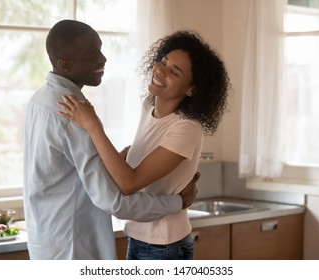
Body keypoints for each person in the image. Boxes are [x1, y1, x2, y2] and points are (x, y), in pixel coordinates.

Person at [22, 19, 199, 260]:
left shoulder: (40, 101)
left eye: (101, 49)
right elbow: (116, 201)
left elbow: (67, 170)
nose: (103, 59)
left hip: (47, 242)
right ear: (65, 64)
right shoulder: (76, 115)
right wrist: (178, 202)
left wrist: (113, 158)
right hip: (73, 248)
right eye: (93, 54)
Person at [57, 30, 231, 259]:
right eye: (163, 61)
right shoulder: (148, 106)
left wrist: (93, 125)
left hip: (166, 245)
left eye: (174, 72)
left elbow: (130, 183)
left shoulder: (187, 128)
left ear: (192, 89)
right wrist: (122, 157)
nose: (160, 70)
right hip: (139, 238)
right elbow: (128, 169)